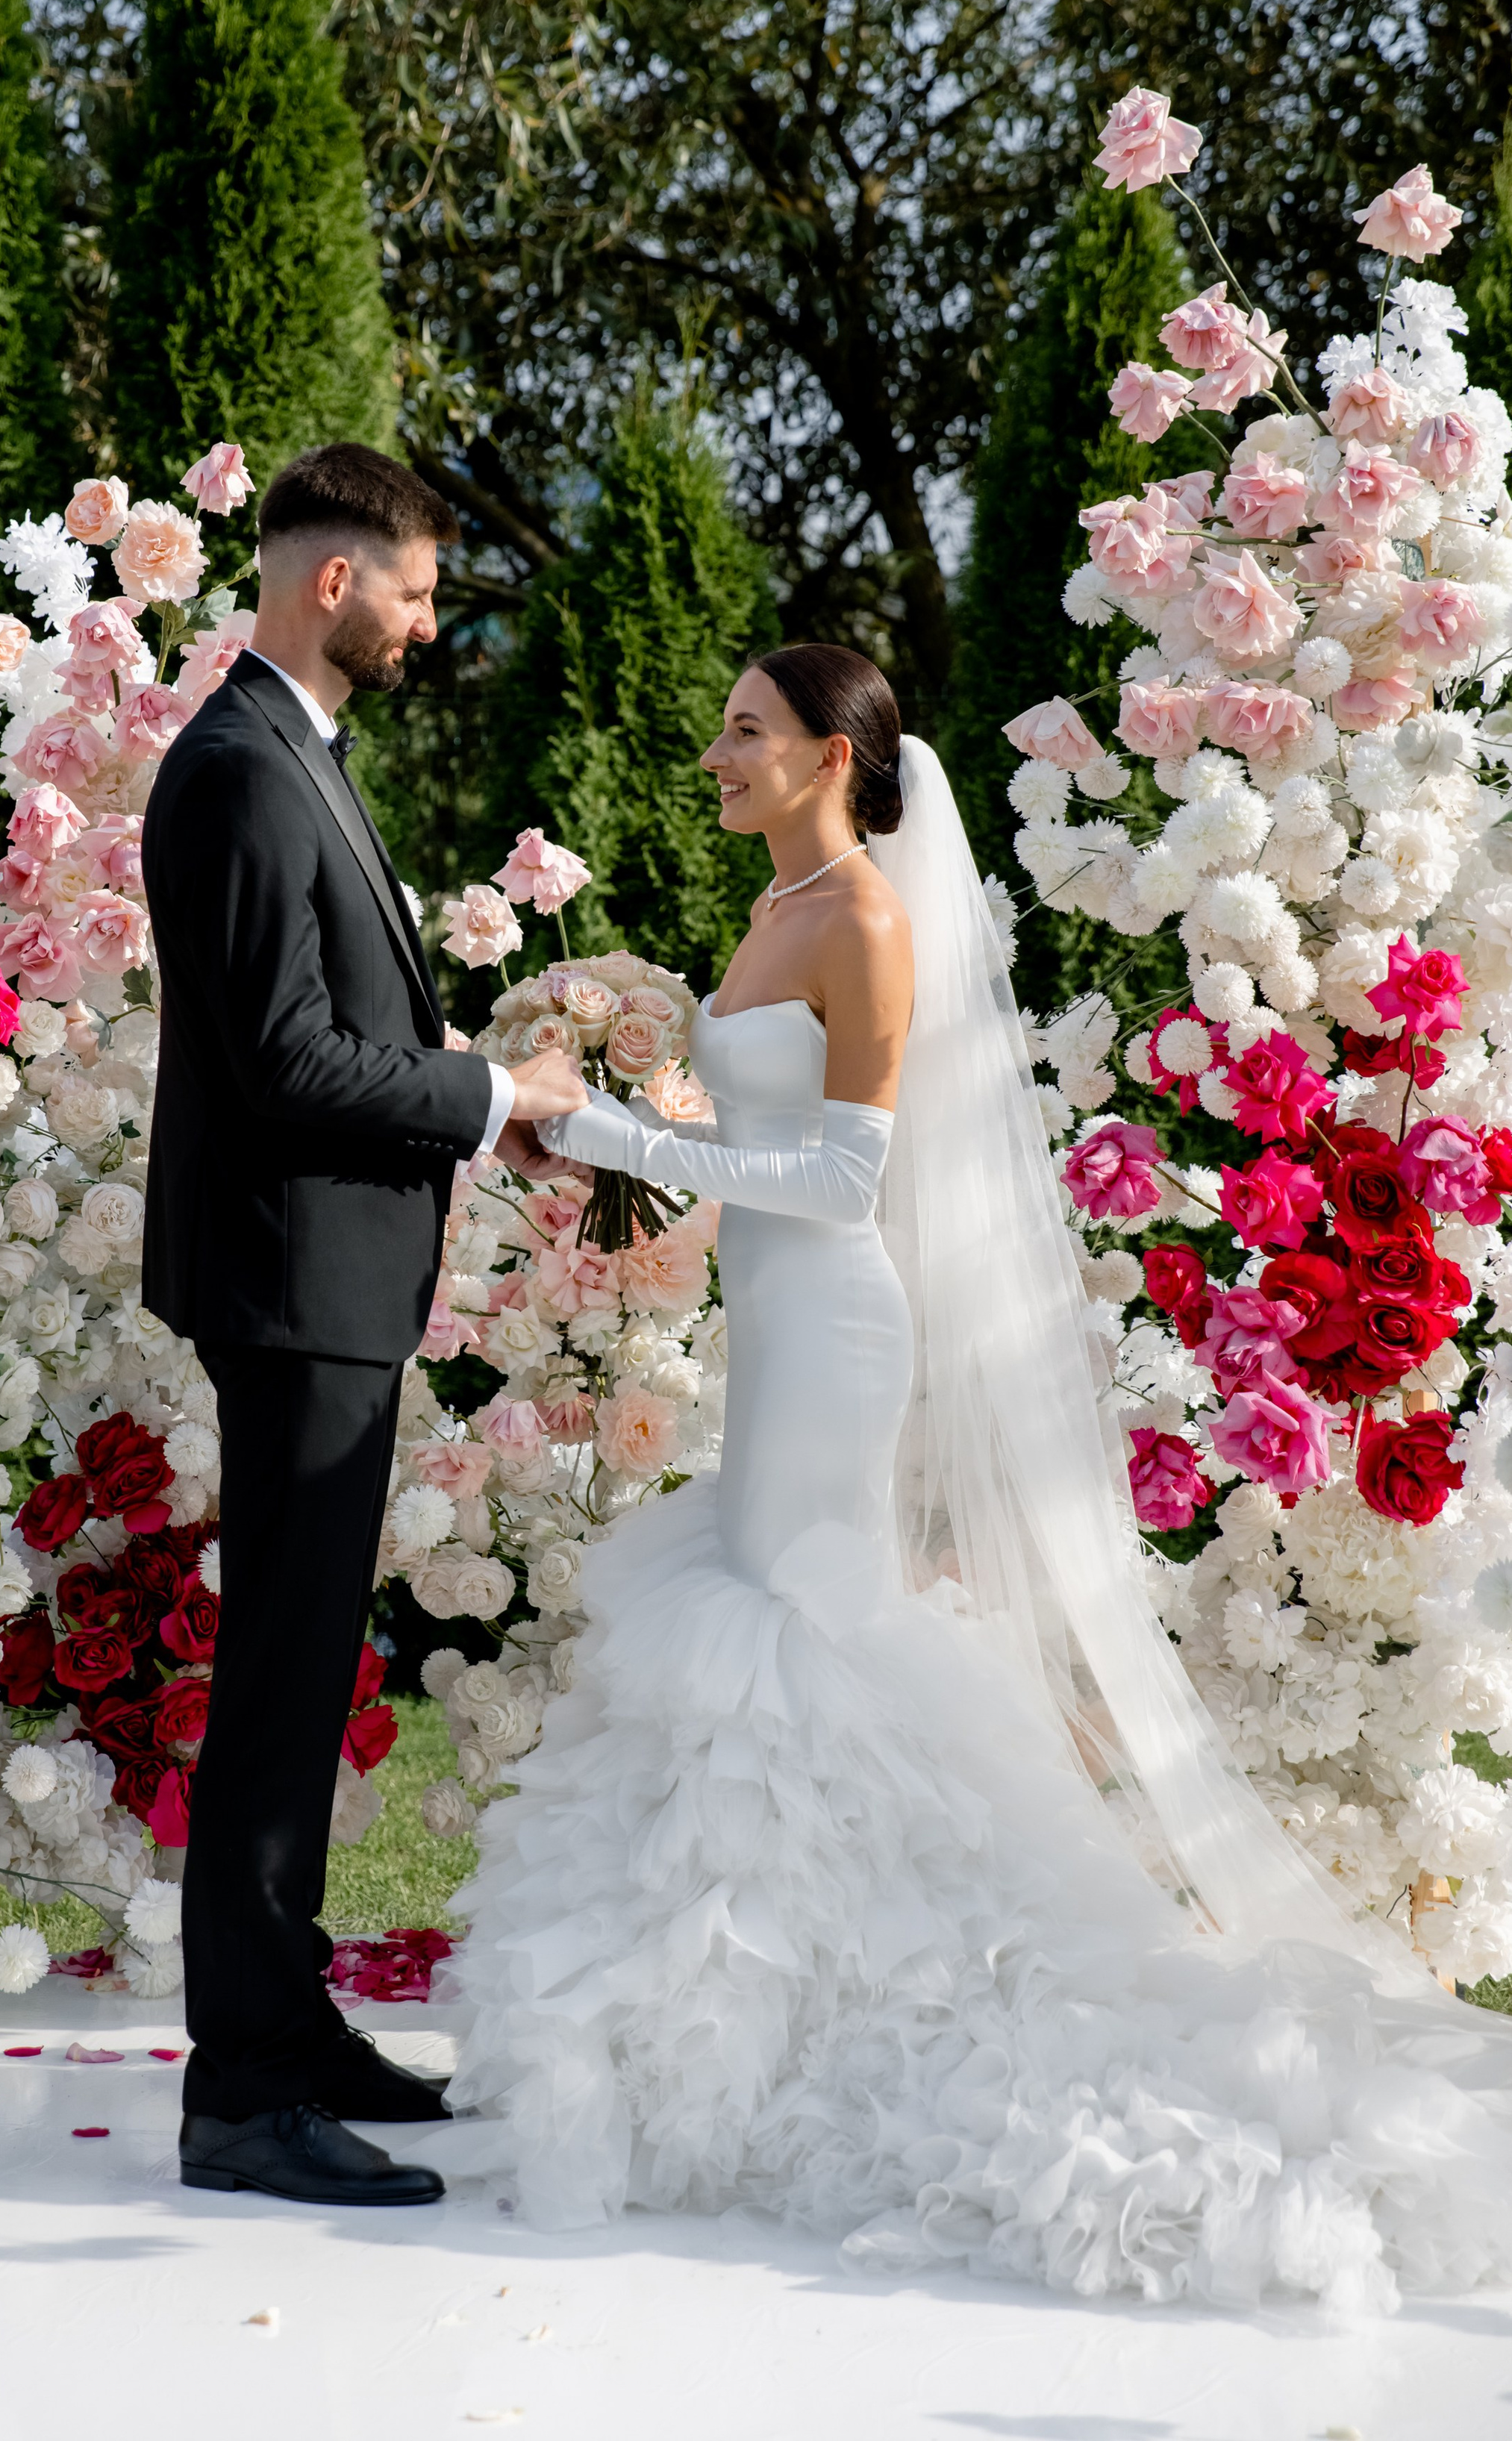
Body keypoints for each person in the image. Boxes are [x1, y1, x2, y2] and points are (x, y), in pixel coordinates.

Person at [436, 641, 1512, 2313]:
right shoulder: (776, 905)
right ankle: (740, 2030)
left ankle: (844, 2002)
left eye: (746, 730)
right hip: (770, 1330)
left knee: (795, 1646)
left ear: (829, 758)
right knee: (755, 1636)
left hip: (830, 1323)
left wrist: (602, 1134)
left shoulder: (863, 917)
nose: (716, 750)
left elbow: (835, 1170)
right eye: (721, 724)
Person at [140, 441, 587, 2209]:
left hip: (325, 1285)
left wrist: (485, 1098)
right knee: (274, 1682)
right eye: (409, 589)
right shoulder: (244, 769)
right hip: (293, 1288)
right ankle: (242, 2088)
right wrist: (485, 1090)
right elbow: (288, 1059)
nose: (420, 620)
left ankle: (287, 2019)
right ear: (333, 580)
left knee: (304, 1665)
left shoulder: (289, 752)